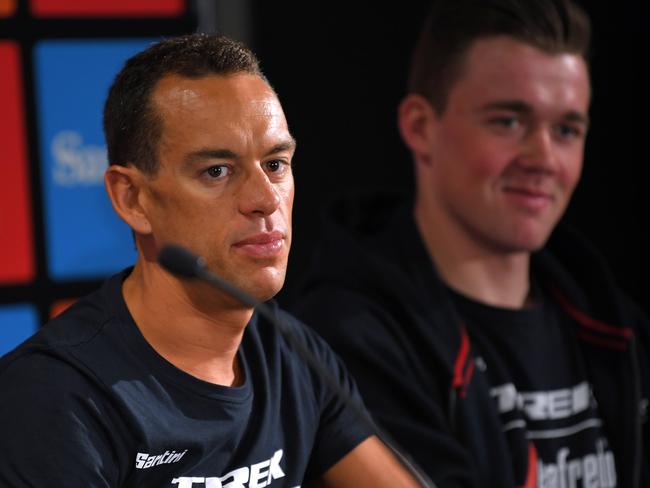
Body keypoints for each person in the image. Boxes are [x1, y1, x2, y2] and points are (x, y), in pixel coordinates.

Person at [0, 34, 420, 487]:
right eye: (217, 171)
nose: (264, 199)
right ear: (133, 199)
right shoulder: (54, 397)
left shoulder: (291, 352)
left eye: (276, 164)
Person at [291, 0, 650, 486]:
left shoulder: (612, 321)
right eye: (508, 121)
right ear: (420, 127)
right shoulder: (349, 340)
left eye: (566, 129)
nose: (544, 158)